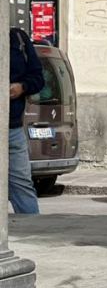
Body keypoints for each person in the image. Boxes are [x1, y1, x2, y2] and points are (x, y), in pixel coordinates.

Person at [8, 28, 44, 214]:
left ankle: (34, 234)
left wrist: (22, 87)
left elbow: (38, 78)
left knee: (22, 187)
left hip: (12, 130)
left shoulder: (17, 38)